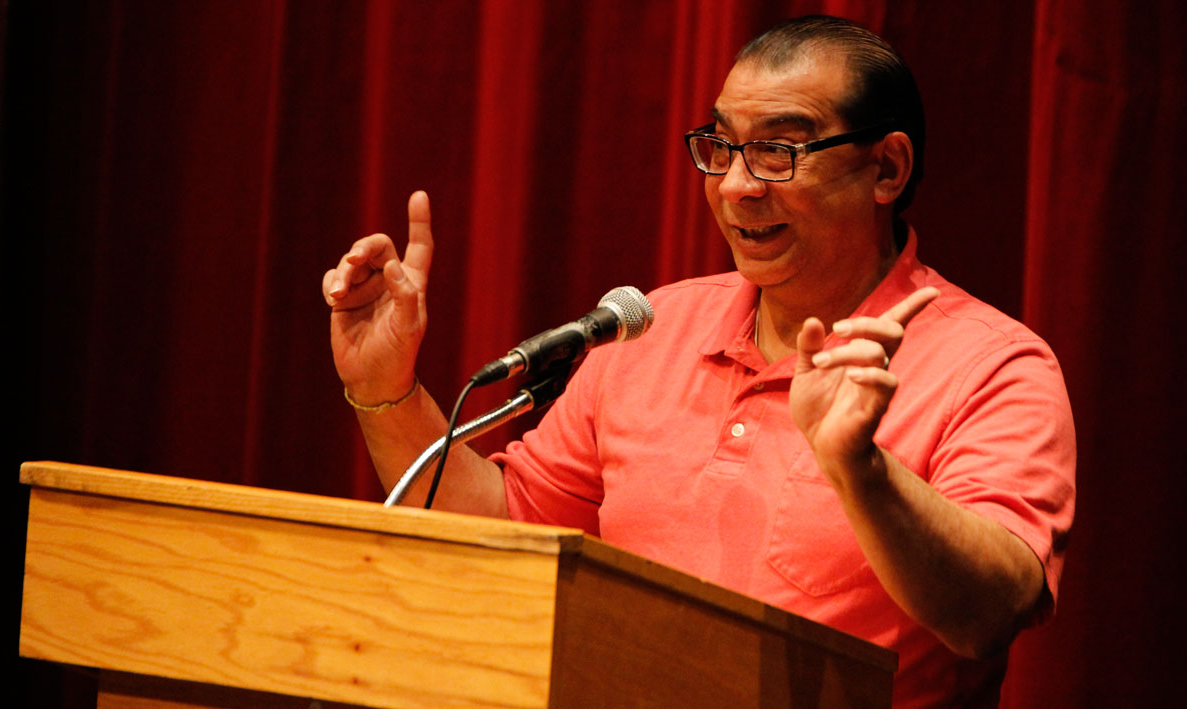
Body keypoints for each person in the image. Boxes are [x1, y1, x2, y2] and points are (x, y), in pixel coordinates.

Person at [322, 16, 1075, 706]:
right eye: (721, 146)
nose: (738, 186)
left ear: (885, 168)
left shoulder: (992, 364)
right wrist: (384, 385)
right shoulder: (656, 327)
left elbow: (987, 614)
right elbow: (504, 528)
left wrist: (861, 469)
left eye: (778, 150)